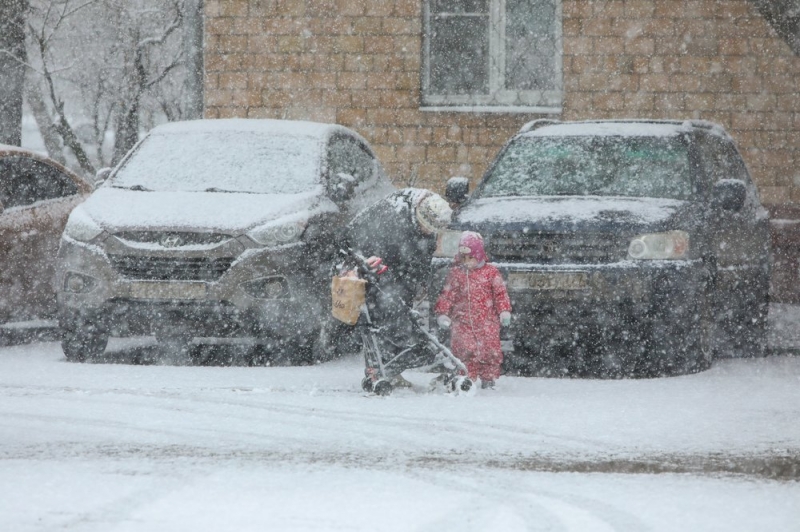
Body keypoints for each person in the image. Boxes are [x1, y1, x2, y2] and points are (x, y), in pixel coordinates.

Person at [323, 188, 453, 386]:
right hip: (370, 264)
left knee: (397, 311)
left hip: (396, 269)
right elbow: (367, 248)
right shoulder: (390, 218)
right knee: (382, 316)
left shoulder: (427, 219)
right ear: (418, 215)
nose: (428, 231)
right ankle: (386, 365)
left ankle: (392, 367)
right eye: (425, 226)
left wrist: (419, 282)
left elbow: (422, 254)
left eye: (432, 229)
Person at [434, 231, 512, 389]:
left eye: (471, 258)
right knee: (464, 351)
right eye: (463, 258)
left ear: (479, 255)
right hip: (462, 322)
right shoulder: (457, 274)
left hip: (487, 322)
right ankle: (466, 378)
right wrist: (443, 313)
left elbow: (500, 294)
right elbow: (448, 295)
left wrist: (504, 311)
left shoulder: (491, 273)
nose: (467, 262)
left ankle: (488, 379)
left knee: (489, 351)